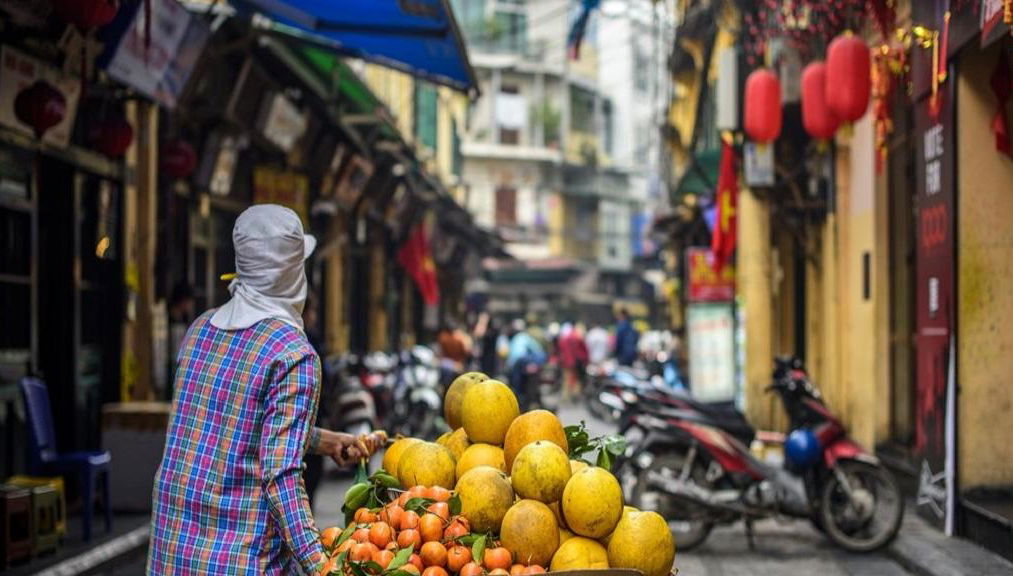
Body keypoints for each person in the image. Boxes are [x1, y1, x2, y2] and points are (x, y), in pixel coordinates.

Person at [148, 205, 383, 575]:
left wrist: (323, 441)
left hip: (172, 555)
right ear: (294, 273)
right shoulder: (293, 354)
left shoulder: (200, 330)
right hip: (240, 561)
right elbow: (281, 476)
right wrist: (322, 566)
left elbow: (234, 423)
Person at [505, 319, 545, 407]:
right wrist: (536, 363)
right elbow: (539, 351)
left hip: (516, 364)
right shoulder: (525, 337)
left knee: (517, 385)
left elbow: (510, 358)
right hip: (522, 362)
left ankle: (520, 399)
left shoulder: (515, 339)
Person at [558, 323, 589, 402]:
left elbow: (560, 349)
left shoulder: (565, 338)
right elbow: (583, 351)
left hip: (566, 362)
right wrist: (586, 361)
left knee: (566, 379)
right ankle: (575, 396)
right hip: (575, 362)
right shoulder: (578, 338)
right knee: (576, 379)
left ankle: (566, 396)